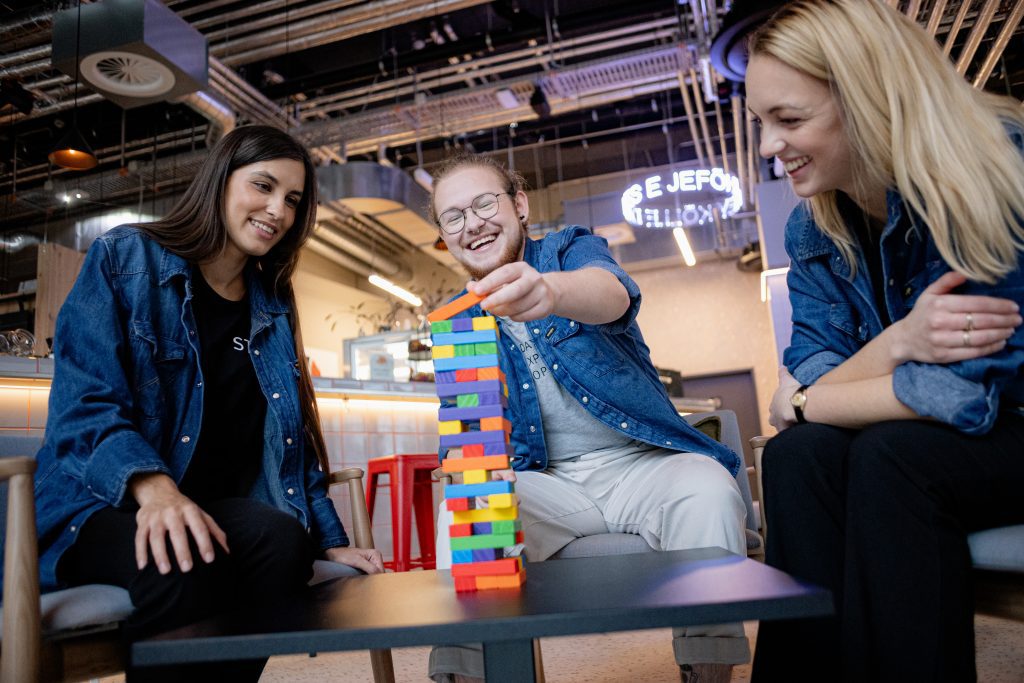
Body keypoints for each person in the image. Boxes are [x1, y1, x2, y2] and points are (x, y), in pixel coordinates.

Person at [33, 124, 383, 680]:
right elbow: (85, 407)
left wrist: (329, 540)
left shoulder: (272, 304)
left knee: (281, 541)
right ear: (221, 180)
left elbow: (294, 443)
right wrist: (156, 491)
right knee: (180, 558)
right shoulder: (126, 259)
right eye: (263, 186)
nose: (278, 210)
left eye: (292, 200)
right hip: (99, 506)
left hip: (206, 507)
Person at [743, 1, 1024, 681]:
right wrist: (899, 340)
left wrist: (807, 400)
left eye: (789, 119)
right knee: (796, 459)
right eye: (761, 121)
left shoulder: (984, 161)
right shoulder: (812, 230)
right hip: (960, 432)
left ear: (867, 97)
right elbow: (811, 373)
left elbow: (960, 395)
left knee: (890, 457)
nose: (766, 147)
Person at [426, 153, 750, 683]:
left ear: (520, 205)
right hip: (547, 481)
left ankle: (707, 673)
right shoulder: (458, 318)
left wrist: (551, 291)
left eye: (485, 203)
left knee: (708, 490)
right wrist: (466, 465)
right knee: (465, 512)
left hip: (643, 463)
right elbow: (462, 419)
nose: (473, 223)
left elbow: (613, 295)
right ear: (445, 234)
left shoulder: (569, 249)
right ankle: (469, 677)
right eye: (454, 216)